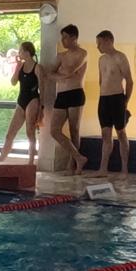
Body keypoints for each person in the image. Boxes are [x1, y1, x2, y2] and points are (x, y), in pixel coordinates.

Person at [45, 24, 88, 175]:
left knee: (74, 130)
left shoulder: (82, 53)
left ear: (74, 38)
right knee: (54, 130)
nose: (62, 40)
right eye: (62, 37)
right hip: (61, 95)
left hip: (75, 93)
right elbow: (49, 74)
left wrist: (60, 74)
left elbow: (70, 69)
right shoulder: (61, 56)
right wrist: (63, 76)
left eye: (65, 37)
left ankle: (73, 165)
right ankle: (79, 157)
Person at [93, 30, 134, 177]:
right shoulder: (101, 60)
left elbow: (129, 81)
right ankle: (103, 169)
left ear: (108, 41)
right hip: (104, 99)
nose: (98, 47)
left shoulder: (120, 57)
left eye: (99, 43)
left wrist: (125, 101)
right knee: (105, 134)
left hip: (117, 98)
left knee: (121, 133)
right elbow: (101, 81)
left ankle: (124, 169)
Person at [0, 41, 43, 165]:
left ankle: (30, 162)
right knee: (10, 134)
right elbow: (13, 82)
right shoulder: (21, 66)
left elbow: (42, 89)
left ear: (27, 52)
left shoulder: (37, 68)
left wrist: (41, 109)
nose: (18, 53)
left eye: (20, 51)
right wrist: (18, 67)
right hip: (21, 100)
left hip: (33, 100)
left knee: (30, 132)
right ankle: (0, 161)